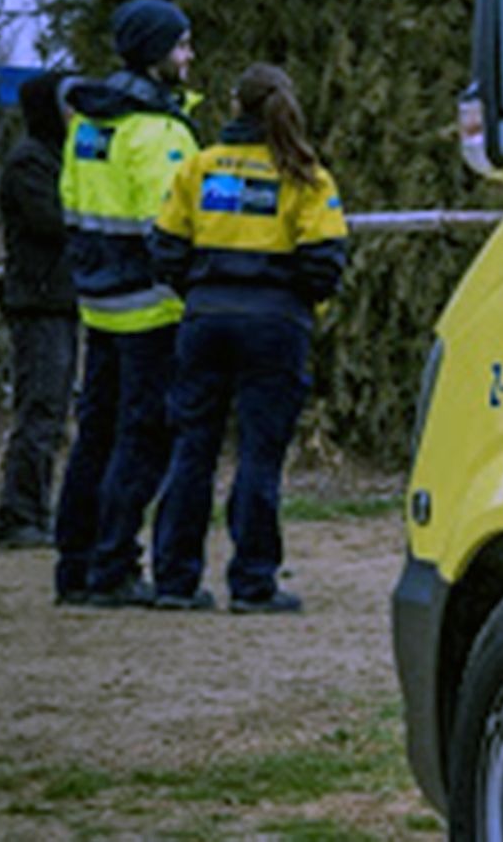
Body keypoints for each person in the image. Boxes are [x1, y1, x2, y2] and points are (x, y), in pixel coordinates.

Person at [148, 62, 348, 613]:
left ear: (234, 107)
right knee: (260, 454)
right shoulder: (307, 177)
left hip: (205, 321)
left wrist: (204, 291)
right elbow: (324, 263)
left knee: (193, 450)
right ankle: (254, 583)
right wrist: (290, 301)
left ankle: (174, 581)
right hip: (275, 328)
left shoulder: (198, 167)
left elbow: (164, 250)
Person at [54, 0, 200, 608]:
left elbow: (72, 209)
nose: (190, 57)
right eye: (182, 44)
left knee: (94, 437)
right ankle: (115, 565)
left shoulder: (89, 123)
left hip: (98, 303)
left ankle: (76, 566)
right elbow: (175, 230)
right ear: (155, 52)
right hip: (152, 310)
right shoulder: (158, 132)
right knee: (143, 441)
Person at [0, 71, 78, 550]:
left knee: (51, 409)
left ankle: (33, 511)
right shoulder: (30, 163)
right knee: (39, 410)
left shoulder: (52, 159)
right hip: (39, 303)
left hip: (59, 300)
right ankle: (19, 515)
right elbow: (52, 222)